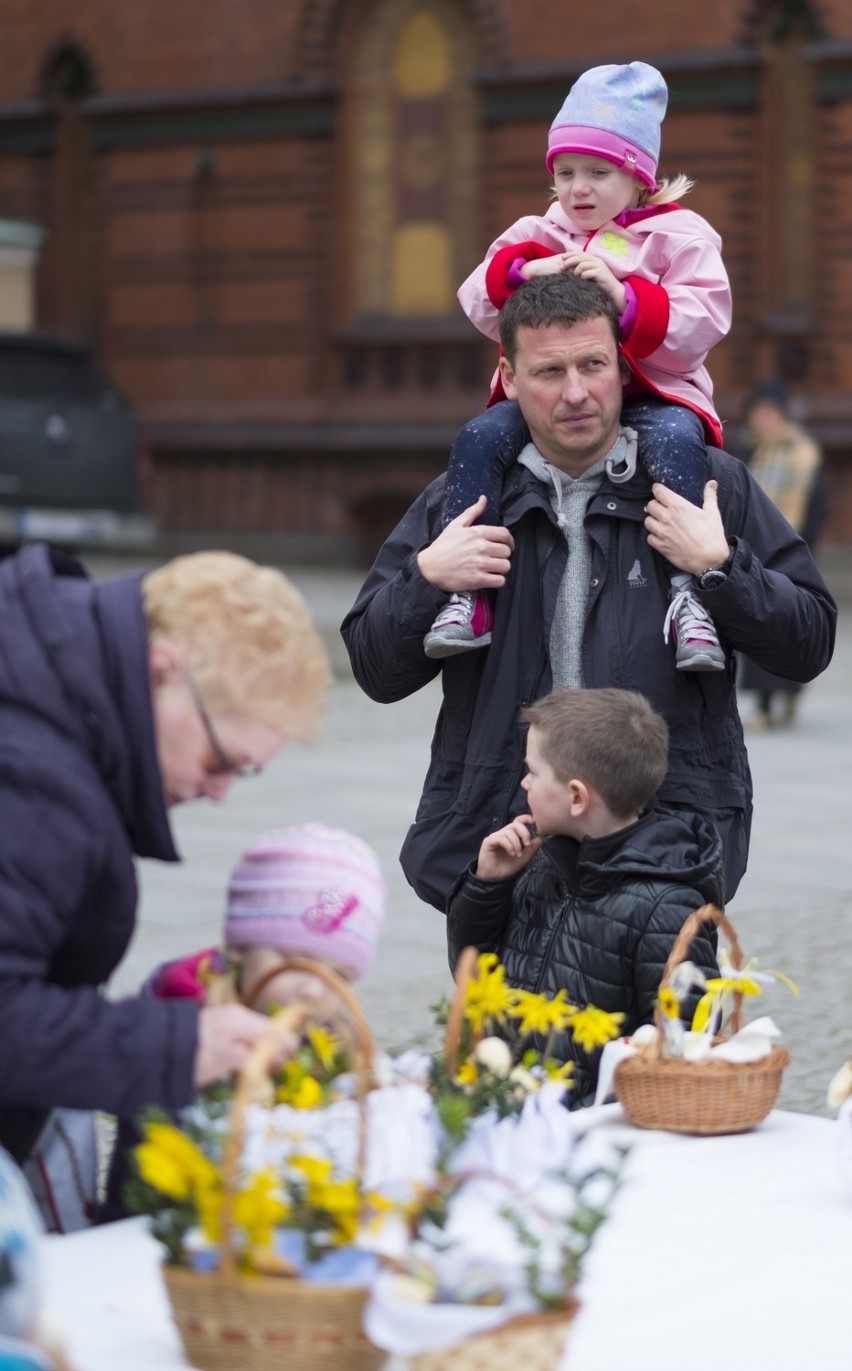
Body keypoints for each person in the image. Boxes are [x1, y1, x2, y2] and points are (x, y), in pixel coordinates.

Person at [341, 272, 837, 916]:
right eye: (549, 372)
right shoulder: (465, 501)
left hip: (665, 851)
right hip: (501, 848)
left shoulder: (707, 489)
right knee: (506, 1022)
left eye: (593, 365)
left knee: (654, 1022)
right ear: (510, 377)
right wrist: (428, 577)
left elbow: (809, 644)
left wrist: (720, 566)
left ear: (624, 367)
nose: (576, 393)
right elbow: (375, 670)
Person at [0, 544, 331, 1172]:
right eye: (220, 762)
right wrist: (174, 1048)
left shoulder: (42, 668)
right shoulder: (35, 783)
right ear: (160, 671)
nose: (219, 792)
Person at [425, 60, 730, 674]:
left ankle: (686, 596)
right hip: (555, 402)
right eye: (564, 173)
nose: (578, 189)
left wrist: (626, 297)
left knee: (675, 442)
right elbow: (477, 300)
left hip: (656, 394)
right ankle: (468, 593)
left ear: (640, 177)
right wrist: (520, 273)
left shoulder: (678, 236)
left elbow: (706, 320)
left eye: (598, 172)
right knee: (480, 437)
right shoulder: (540, 231)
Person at [445, 687, 721, 1104]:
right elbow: (473, 978)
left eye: (533, 772)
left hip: (595, 1135)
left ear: (576, 796)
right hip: (512, 1104)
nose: (523, 782)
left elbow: (681, 1049)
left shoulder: (667, 909)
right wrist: (488, 885)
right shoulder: (541, 862)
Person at [144, 822, 387, 1014]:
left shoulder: (324, 1035)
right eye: (295, 963)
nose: (313, 991)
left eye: (339, 977)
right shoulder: (183, 1022)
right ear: (238, 947)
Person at [737, 380, 828, 729]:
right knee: (757, 625)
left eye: (770, 413)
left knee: (792, 625)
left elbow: (816, 507)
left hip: (793, 554)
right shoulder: (748, 453)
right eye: (758, 413)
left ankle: (788, 695)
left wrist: (800, 548)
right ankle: (762, 705)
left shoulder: (804, 453)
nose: (764, 420)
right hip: (753, 554)